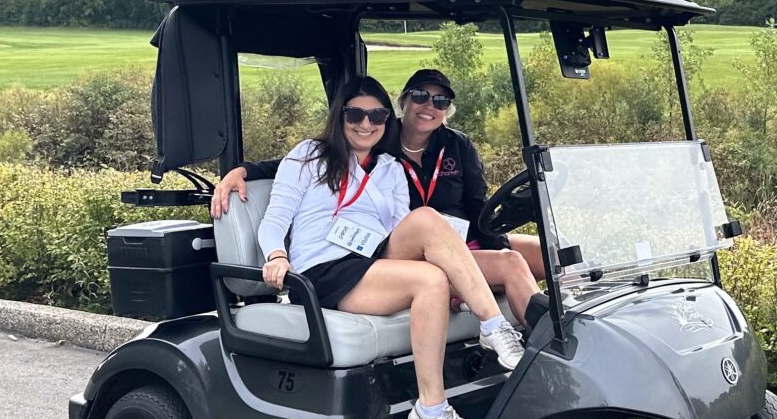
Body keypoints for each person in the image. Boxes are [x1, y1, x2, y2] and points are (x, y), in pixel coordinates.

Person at [251, 75, 524, 419]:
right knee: (430, 280)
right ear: (340, 115)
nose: (366, 124)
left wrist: (455, 272)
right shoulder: (309, 155)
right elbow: (275, 219)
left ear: (385, 120)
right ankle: (438, 401)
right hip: (324, 269)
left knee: (427, 220)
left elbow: (401, 228)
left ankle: (492, 333)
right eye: (355, 115)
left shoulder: (389, 168)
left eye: (376, 116)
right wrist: (276, 255)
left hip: (373, 257)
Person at [216, 67, 543, 325]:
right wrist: (244, 169)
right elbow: (313, 159)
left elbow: (477, 203)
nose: (429, 106)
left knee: (530, 256)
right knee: (433, 233)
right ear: (404, 101)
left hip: (458, 240)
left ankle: (548, 344)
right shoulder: (378, 137)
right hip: (400, 247)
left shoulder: (456, 145)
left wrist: (496, 244)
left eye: (440, 101)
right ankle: (497, 325)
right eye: (421, 96)